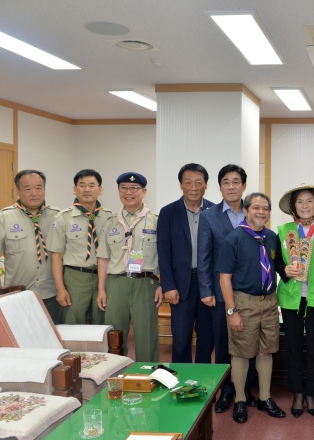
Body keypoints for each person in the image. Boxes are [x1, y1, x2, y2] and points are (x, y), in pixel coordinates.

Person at [217, 192, 286, 423]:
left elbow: (279, 268)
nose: (261, 212)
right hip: (243, 303)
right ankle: (239, 400)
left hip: (268, 302)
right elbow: (224, 278)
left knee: (266, 350)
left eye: (265, 208)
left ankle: (265, 398)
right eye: (256, 207)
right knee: (241, 353)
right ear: (245, 211)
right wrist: (231, 311)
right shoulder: (234, 238)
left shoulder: (272, 237)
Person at [198, 164, 257, 413]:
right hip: (221, 293)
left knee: (249, 343)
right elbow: (203, 256)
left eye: (236, 182)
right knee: (222, 344)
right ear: (219, 186)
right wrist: (206, 290)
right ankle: (226, 391)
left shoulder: (254, 212)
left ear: (244, 185)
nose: (231, 186)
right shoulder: (208, 216)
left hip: (249, 291)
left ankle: (246, 389)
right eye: (226, 182)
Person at [276, 184, 314, 418]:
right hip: (291, 297)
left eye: (309, 201)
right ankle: (297, 393)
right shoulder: (283, 230)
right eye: (299, 201)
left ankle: (311, 392)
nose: (304, 205)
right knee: (292, 346)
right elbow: (276, 263)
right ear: (293, 206)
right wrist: (284, 270)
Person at [97, 172, 163, 362]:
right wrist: (101, 289)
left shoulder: (156, 220)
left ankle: (147, 378)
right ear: (118, 191)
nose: (129, 192)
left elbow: (165, 257)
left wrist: (162, 284)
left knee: (146, 336)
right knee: (114, 336)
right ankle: (115, 378)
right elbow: (103, 258)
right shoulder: (110, 222)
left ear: (144, 191)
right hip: (116, 284)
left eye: (134, 188)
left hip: (146, 284)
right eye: (124, 188)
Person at [0, 170, 62, 323]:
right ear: (18, 191)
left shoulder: (58, 216)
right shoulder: (4, 217)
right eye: (28, 189)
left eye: (39, 188)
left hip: (52, 293)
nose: (34, 193)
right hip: (18, 294)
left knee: (54, 336)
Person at [157, 163, 215, 363]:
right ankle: (180, 385)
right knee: (181, 340)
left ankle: (206, 386)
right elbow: (163, 252)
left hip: (208, 283)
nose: (194, 187)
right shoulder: (168, 212)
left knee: (207, 338)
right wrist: (168, 286)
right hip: (180, 285)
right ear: (181, 185)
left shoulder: (214, 211)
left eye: (199, 182)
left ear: (205, 185)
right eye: (188, 182)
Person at [47, 169, 113, 325]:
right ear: (74, 189)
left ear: (100, 189)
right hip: (75, 278)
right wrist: (60, 289)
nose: (87, 189)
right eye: (82, 185)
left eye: (92, 185)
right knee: (73, 322)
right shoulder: (63, 218)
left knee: (102, 324)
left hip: (105, 278)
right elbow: (56, 256)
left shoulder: (110, 217)